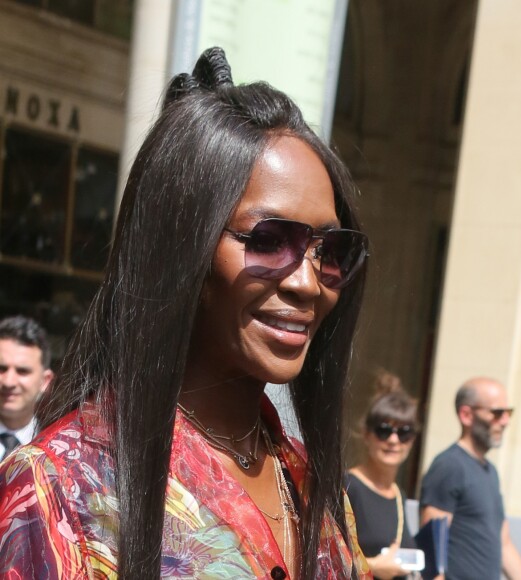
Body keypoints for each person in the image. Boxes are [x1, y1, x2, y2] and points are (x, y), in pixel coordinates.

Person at [0, 47, 371, 579]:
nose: (308, 283)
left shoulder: (317, 492)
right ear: (180, 247)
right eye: (269, 240)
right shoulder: (60, 490)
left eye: (330, 251)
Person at [419, 377, 521, 580]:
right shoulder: (449, 466)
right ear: (466, 415)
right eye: (497, 413)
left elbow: (503, 543)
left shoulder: (490, 471)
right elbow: (432, 547)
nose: (505, 421)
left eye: (508, 413)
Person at [346, 369, 420, 579]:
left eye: (404, 432)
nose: (393, 441)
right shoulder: (348, 486)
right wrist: (373, 567)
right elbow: (325, 557)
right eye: (384, 430)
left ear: (412, 441)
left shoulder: (398, 494)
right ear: (367, 435)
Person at [0, 315, 53, 461]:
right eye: (2, 369)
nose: (9, 382)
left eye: (22, 371)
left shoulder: (55, 451)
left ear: (45, 381)